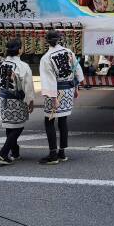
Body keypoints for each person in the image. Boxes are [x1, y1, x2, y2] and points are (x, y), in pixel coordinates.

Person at [38, 29, 84, 165]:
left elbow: (49, 80)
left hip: (55, 92)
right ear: (59, 39)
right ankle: (62, 153)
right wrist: (76, 88)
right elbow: (77, 70)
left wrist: (53, 98)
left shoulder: (46, 57)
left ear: (47, 41)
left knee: (49, 121)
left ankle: (53, 154)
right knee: (63, 120)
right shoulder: (68, 52)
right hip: (68, 90)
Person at [0, 39, 35, 166]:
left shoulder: (3, 64)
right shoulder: (23, 66)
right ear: (19, 50)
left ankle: (15, 152)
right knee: (18, 126)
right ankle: (4, 153)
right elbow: (28, 86)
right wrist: (30, 100)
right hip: (16, 99)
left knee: (9, 125)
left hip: (4, 98)